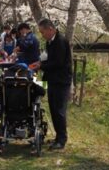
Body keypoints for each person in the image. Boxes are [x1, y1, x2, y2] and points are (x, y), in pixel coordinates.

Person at [31, 18, 72, 150]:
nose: (42, 35)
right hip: (52, 80)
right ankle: (58, 137)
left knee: (59, 110)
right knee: (54, 109)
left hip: (61, 81)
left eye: (43, 32)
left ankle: (61, 139)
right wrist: (40, 63)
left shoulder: (60, 41)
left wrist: (42, 65)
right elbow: (49, 59)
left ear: (50, 29)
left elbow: (58, 63)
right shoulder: (50, 42)